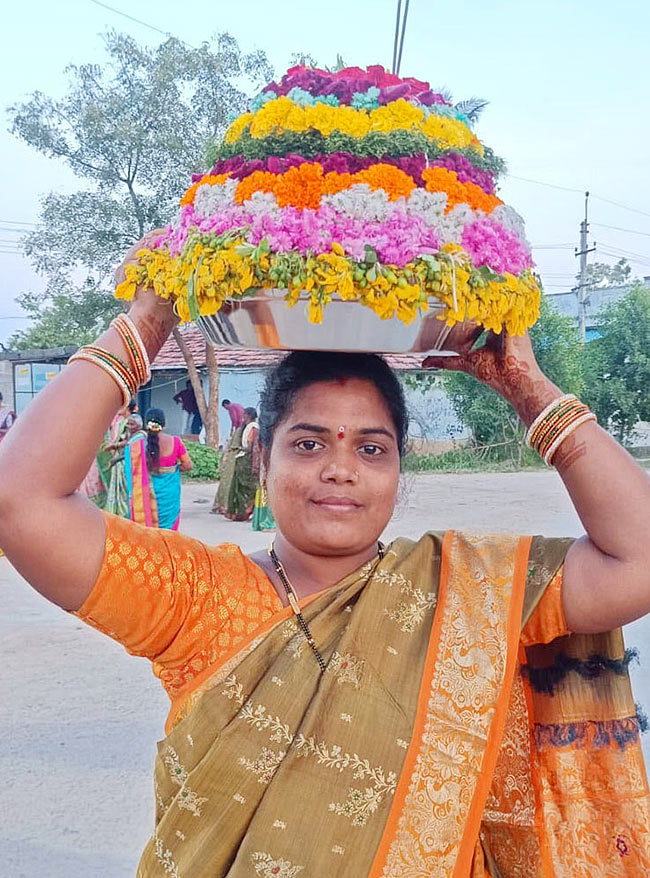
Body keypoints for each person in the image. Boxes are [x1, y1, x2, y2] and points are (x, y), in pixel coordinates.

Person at [0, 241, 649, 876]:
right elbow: (22, 504)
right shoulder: (197, 595)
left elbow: (637, 560)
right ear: (262, 460)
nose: (340, 469)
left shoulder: (467, 592)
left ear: (400, 470)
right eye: (308, 444)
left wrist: (529, 389)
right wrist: (143, 326)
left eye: (371, 449)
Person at [124, 407, 193, 530]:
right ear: (164, 424)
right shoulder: (176, 442)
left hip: (149, 494)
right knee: (169, 529)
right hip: (170, 493)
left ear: (146, 424)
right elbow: (188, 465)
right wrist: (174, 469)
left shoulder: (139, 444)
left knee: (150, 530)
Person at [224, 406, 260, 522]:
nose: (242, 417)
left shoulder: (253, 428)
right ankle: (240, 512)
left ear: (248, 416)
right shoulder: (246, 427)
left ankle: (247, 512)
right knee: (239, 487)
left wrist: (240, 449)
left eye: (244, 415)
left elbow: (250, 447)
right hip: (242, 459)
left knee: (246, 488)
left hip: (247, 460)